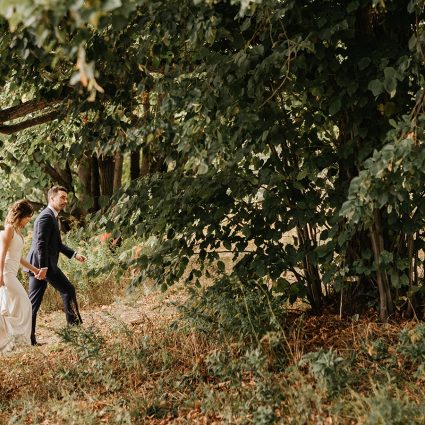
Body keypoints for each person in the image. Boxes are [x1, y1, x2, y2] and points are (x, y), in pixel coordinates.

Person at [27, 186, 86, 346]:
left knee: (32, 304)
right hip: (42, 264)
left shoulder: (53, 217)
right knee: (68, 290)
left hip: (40, 264)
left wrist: (74, 255)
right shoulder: (46, 217)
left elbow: (57, 244)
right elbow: (41, 244)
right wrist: (44, 267)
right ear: (51, 198)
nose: (65, 201)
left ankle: (29, 339)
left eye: (66, 198)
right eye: (62, 197)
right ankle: (74, 330)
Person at [0, 200, 41, 353]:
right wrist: (0, 276)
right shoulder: (9, 229)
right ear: (20, 215)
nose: (28, 221)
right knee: (25, 305)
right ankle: (18, 342)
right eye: (28, 217)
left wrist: (35, 270)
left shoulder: (18, 231)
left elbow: (19, 258)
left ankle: (13, 341)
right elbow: (2, 254)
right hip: (6, 274)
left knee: (17, 309)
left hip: (12, 273)